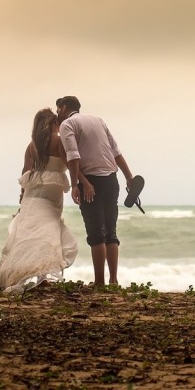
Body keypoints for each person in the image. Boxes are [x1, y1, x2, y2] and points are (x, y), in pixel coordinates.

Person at [0, 108, 79, 294]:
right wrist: (80, 183)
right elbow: (71, 163)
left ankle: (26, 273)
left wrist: (22, 195)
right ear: (53, 124)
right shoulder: (59, 142)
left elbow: (26, 172)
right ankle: (40, 276)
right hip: (51, 196)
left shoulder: (32, 146)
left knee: (28, 232)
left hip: (32, 196)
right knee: (48, 231)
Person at [56, 95, 136, 286]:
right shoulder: (98, 120)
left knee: (95, 233)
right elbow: (116, 151)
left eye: (58, 109)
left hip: (90, 181)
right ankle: (114, 281)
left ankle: (99, 282)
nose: (57, 113)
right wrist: (129, 177)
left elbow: (73, 156)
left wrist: (76, 184)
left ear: (64, 107)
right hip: (111, 180)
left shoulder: (67, 124)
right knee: (111, 232)